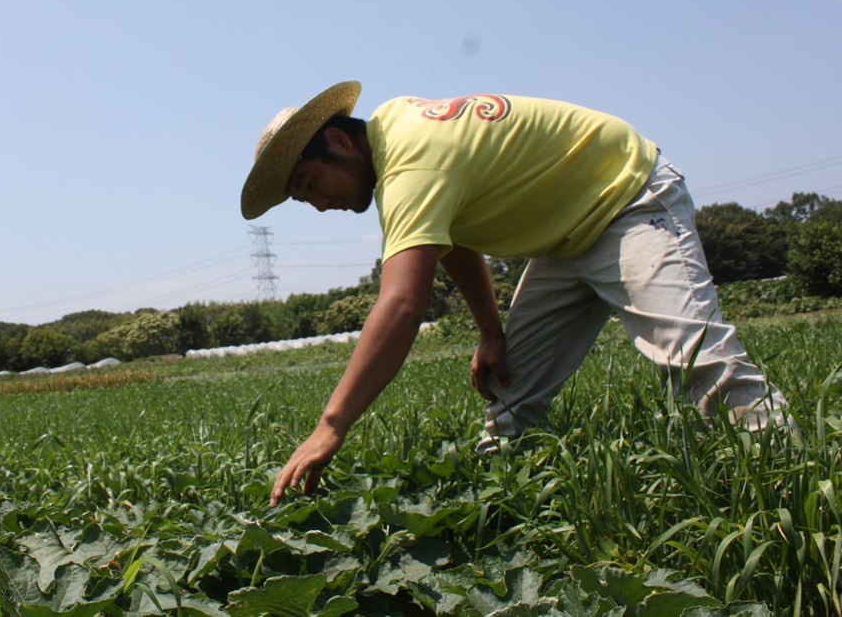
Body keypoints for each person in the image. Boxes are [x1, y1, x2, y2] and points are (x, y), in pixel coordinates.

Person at [241, 81, 794, 507]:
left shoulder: (410, 161)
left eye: (311, 185)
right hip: (563, 239)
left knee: (695, 360)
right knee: (512, 397)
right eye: (302, 200)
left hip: (627, 199)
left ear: (339, 141)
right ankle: (508, 513)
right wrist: (489, 329)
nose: (318, 205)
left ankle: (796, 486)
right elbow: (451, 240)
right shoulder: (394, 131)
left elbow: (403, 304)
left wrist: (331, 425)